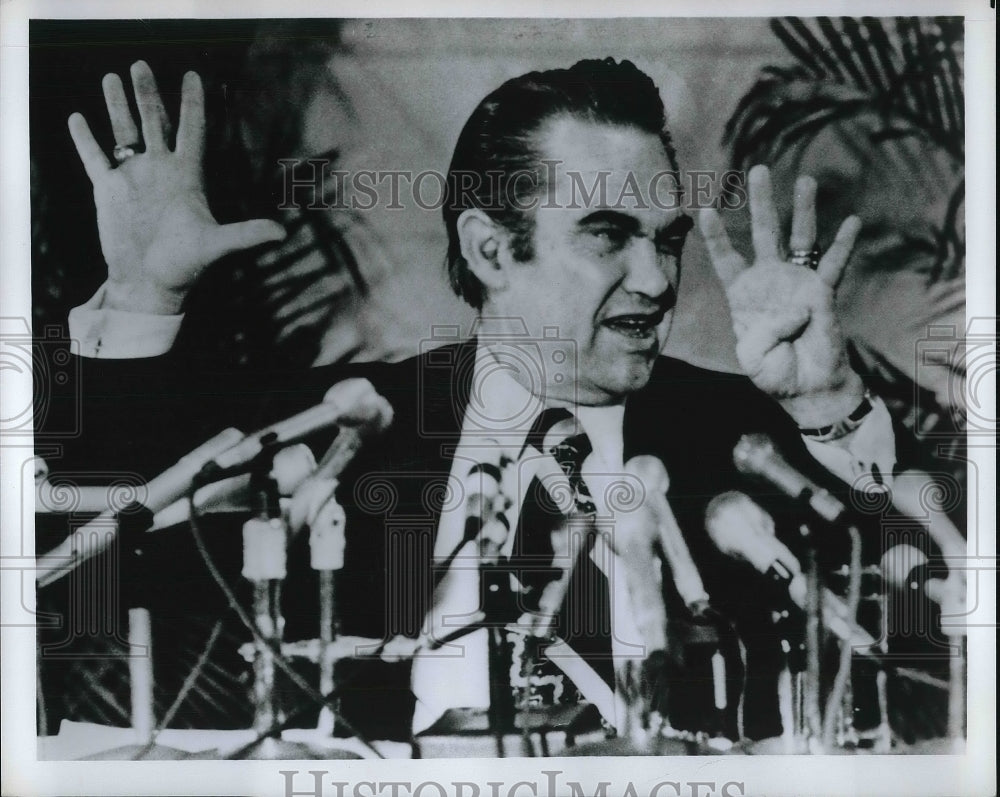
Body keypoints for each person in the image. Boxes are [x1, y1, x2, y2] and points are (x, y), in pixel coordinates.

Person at [41, 58, 907, 749]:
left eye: (666, 239)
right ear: (491, 247)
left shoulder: (739, 434)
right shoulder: (352, 427)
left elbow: (912, 638)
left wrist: (828, 403)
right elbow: (102, 571)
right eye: (608, 234)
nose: (656, 279)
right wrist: (141, 300)